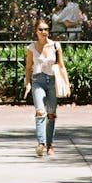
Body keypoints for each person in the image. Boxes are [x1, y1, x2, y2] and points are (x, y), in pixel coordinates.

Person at [24, 17, 69, 158]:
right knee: (40, 111)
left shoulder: (56, 46)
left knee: (51, 114)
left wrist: (67, 83)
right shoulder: (32, 47)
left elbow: (61, 65)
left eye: (46, 29)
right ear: (36, 31)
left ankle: (50, 144)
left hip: (52, 81)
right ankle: (41, 144)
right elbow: (28, 68)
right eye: (41, 29)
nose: (44, 32)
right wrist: (28, 83)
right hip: (38, 80)